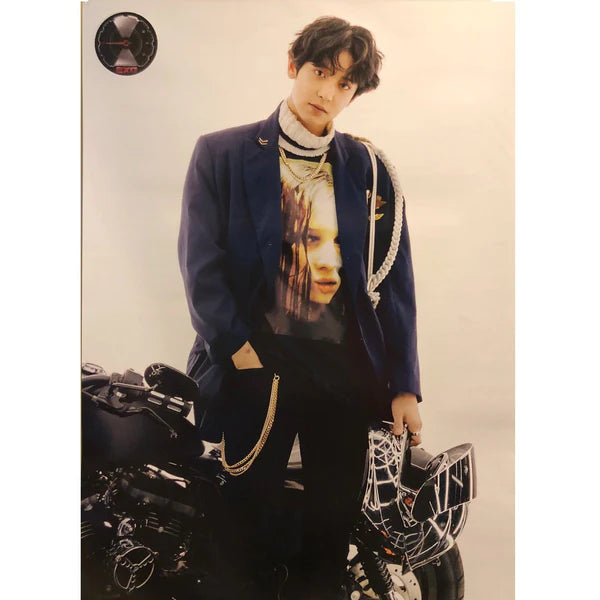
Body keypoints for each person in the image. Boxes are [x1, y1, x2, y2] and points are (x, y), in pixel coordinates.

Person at [178, 16, 422, 600]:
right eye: (319, 72)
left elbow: (394, 281)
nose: (327, 92)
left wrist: (404, 386)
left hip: (342, 373)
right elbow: (200, 266)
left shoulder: (367, 168)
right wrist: (238, 353)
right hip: (257, 365)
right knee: (242, 527)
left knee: (329, 531)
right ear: (294, 65)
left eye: (344, 84)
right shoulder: (223, 152)